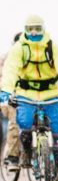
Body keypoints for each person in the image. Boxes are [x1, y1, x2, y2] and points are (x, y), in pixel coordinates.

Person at [0, 15, 58, 181]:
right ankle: (26, 154)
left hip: (51, 94)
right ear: (26, 29)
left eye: (37, 28)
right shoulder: (19, 48)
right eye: (30, 29)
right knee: (24, 123)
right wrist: (6, 90)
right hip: (26, 95)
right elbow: (10, 69)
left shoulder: (54, 48)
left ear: (43, 28)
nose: (34, 32)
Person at [1, 33, 23, 170]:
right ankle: (12, 157)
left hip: (28, 96)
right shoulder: (6, 58)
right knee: (14, 124)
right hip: (10, 96)